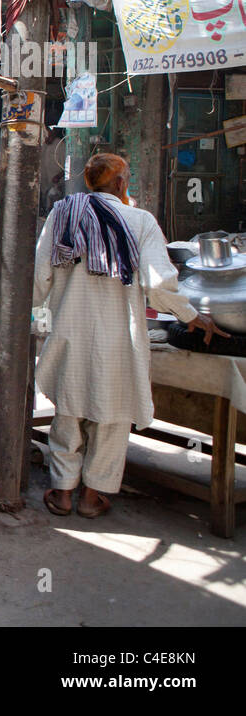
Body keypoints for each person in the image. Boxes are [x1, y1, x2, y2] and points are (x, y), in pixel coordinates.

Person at [36, 154, 225, 519]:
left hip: (70, 331)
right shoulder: (140, 221)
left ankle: (61, 493)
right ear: (121, 183)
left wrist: (21, 313)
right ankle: (92, 498)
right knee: (112, 416)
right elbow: (159, 284)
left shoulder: (62, 214)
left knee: (68, 412)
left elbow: (39, 276)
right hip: (119, 339)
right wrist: (191, 316)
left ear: (89, 183)